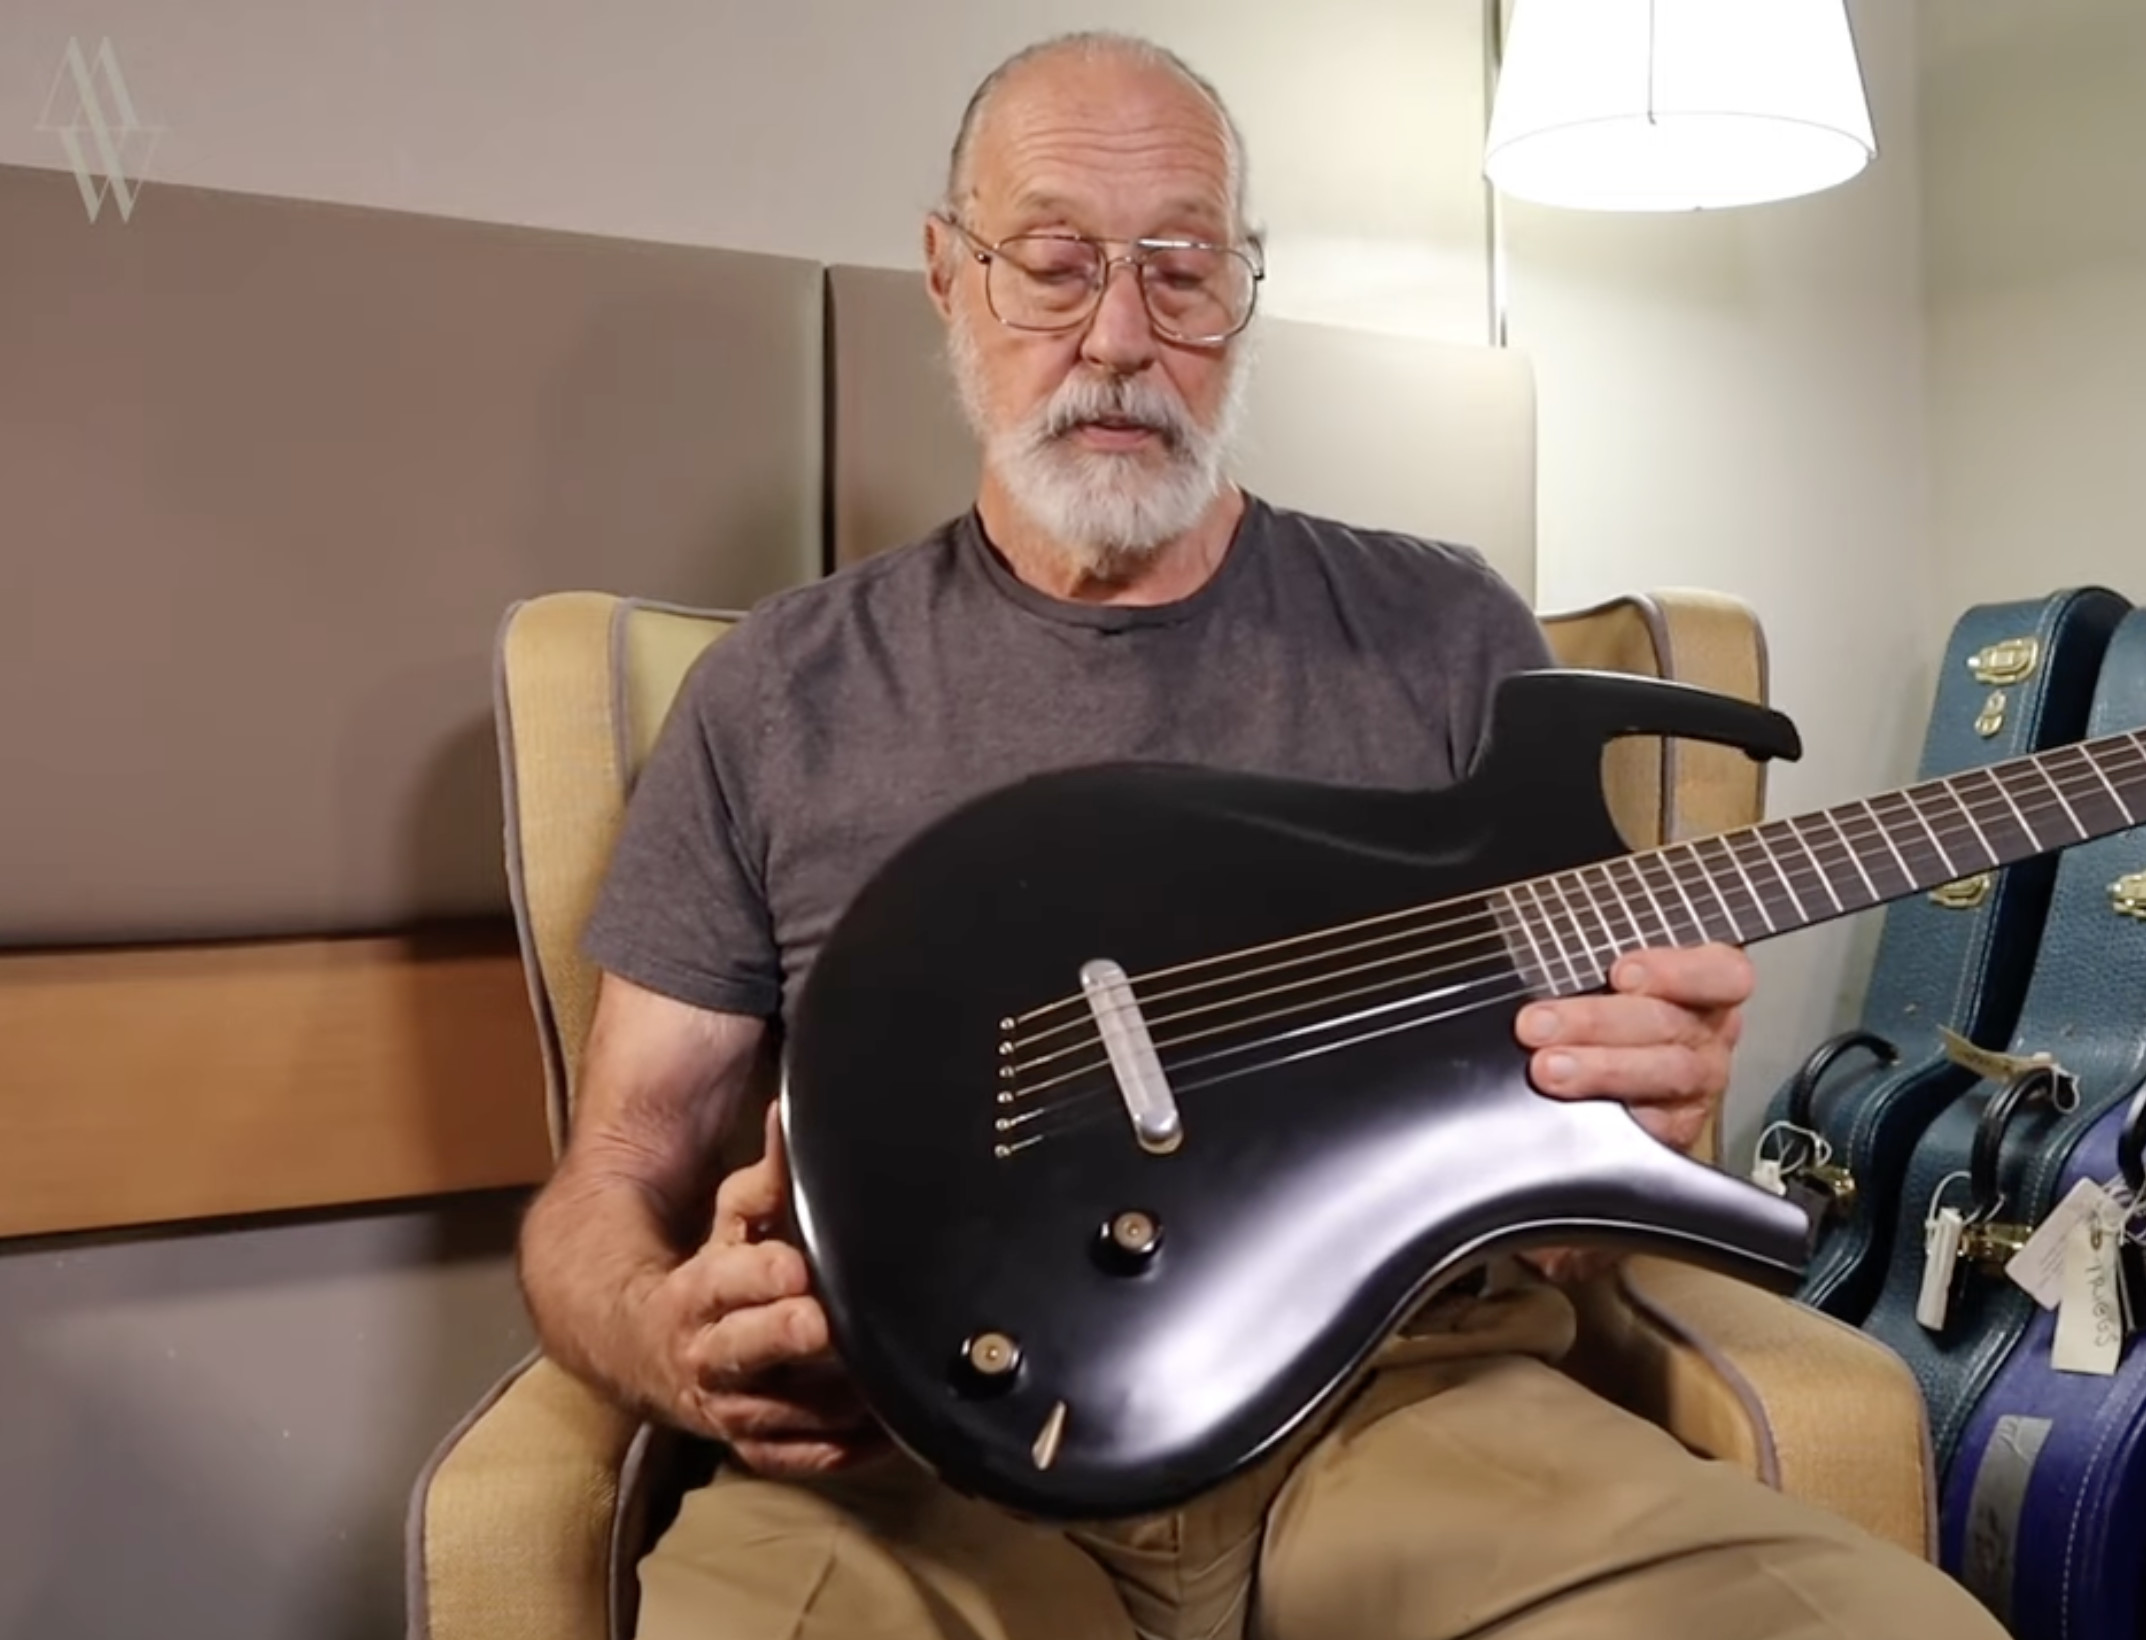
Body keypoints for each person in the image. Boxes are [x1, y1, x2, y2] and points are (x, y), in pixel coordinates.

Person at [514, 28, 2004, 1640]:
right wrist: (670, 1337)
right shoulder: (782, 690)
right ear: (947, 279)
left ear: (1246, 295)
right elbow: (613, 1171)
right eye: (1054, 262)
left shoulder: (1447, 634)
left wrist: (1655, 1118)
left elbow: (1568, 1216)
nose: (1119, 336)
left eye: (1181, 268)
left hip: (1414, 1416)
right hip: (919, 1463)